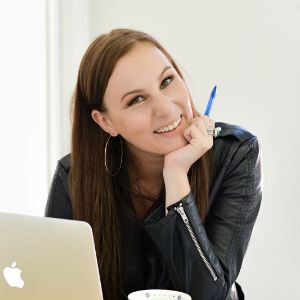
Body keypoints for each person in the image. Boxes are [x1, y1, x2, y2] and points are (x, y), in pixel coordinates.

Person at [45, 28, 262, 300]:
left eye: (166, 81)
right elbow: (51, 288)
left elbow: (211, 296)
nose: (165, 108)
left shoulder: (235, 155)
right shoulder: (73, 178)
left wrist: (176, 174)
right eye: (137, 99)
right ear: (106, 122)